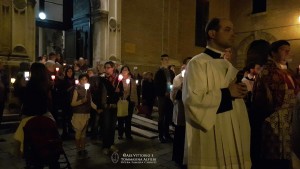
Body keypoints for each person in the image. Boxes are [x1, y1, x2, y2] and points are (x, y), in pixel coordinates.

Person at [182, 18, 251, 169]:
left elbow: (233, 97)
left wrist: (240, 93)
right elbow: (192, 101)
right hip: (212, 131)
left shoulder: (228, 65)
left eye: (233, 30)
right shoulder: (197, 63)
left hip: (232, 130)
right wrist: (227, 94)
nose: (233, 34)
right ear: (212, 33)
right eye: (227, 30)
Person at [251, 40, 299, 169]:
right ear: (273, 52)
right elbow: (264, 99)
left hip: (289, 117)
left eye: (289, 49)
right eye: (284, 49)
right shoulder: (267, 71)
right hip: (273, 117)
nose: (288, 52)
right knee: (275, 153)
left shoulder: (289, 71)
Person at [170, 57, 191, 167]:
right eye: (189, 64)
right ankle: (178, 158)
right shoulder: (178, 78)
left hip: (191, 112)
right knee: (180, 135)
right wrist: (179, 88)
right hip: (181, 111)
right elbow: (173, 96)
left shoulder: (194, 77)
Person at [71, 73, 97, 159]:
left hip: (86, 114)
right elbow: (73, 103)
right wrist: (81, 101)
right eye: (82, 79)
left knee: (84, 133)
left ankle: (83, 148)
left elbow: (91, 102)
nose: (84, 81)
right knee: (78, 132)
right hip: (78, 114)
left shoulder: (88, 90)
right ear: (79, 81)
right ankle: (78, 149)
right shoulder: (76, 89)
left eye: (86, 79)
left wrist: (98, 108)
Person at [100, 61, 123, 155]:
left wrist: (118, 92)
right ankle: (105, 146)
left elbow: (120, 93)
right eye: (105, 67)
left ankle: (111, 144)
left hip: (114, 106)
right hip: (106, 106)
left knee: (112, 126)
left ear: (113, 68)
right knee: (105, 126)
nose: (106, 69)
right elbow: (102, 93)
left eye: (108, 67)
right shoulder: (103, 79)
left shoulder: (118, 80)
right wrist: (115, 92)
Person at [154, 54, 174, 143]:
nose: (166, 61)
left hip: (170, 96)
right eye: (165, 59)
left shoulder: (171, 72)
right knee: (161, 116)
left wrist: (171, 92)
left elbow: (173, 83)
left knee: (168, 115)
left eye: (167, 59)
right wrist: (163, 92)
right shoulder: (159, 72)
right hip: (162, 97)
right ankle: (160, 135)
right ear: (161, 60)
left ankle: (167, 134)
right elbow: (157, 85)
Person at [117, 66, 138, 140]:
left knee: (128, 119)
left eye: (126, 70)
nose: (125, 71)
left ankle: (128, 134)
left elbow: (134, 92)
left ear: (129, 71)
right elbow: (116, 90)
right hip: (121, 101)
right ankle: (120, 134)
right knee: (120, 118)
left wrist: (135, 102)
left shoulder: (131, 80)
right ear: (121, 71)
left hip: (130, 101)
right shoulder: (118, 80)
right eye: (123, 70)